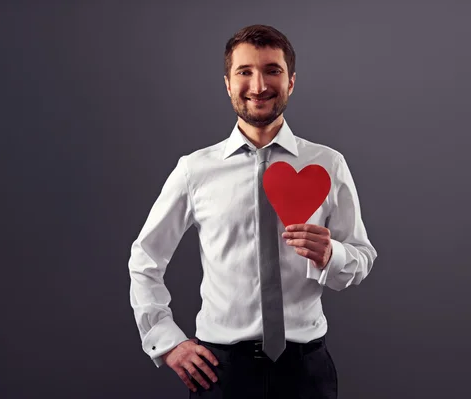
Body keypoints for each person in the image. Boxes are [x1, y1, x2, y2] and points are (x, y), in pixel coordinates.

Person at [128, 24, 377, 399]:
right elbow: (144, 258)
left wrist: (331, 255)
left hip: (305, 370)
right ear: (228, 83)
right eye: (245, 72)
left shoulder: (328, 164)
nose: (258, 85)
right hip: (221, 372)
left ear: (291, 81)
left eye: (272, 70)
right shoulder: (195, 170)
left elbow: (361, 259)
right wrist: (165, 342)